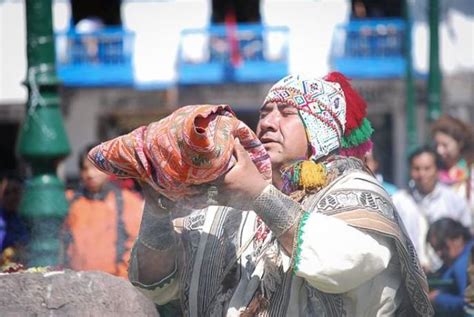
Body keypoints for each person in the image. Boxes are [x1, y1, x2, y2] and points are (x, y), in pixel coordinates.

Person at [92, 73, 432, 315]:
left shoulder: (354, 189)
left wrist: (259, 194)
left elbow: (345, 263)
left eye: (286, 114)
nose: (267, 123)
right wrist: (157, 207)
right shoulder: (228, 200)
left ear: (320, 130)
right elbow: (158, 285)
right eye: (265, 112)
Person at [62, 144, 143, 278]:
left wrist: (121, 278)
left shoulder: (127, 202)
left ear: (108, 169)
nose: (90, 174)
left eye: (95, 168)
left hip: (116, 282)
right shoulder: (70, 200)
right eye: (84, 169)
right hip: (76, 282)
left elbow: (136, 245)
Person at [392, 146, 471, 272]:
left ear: (437, 170)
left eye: (427, 168)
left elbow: (467, 239)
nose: (421, 174)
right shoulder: (399, 201)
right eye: (416, 169)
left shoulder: (454, 201)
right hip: (409, 275)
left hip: (448, 276)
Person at [426, 218, 473, 316]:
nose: (439, 253)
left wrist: (437, 298)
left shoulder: (464, 262)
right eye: (436, 249)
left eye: (442, 246)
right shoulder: (457, 259)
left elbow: (470, 304)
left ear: (458, 238)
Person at [431, 114, 474, 216]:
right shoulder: (433, 172)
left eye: (445, 145)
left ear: (460, 143)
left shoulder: (471, 171)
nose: (439, 150)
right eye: (437, 145)